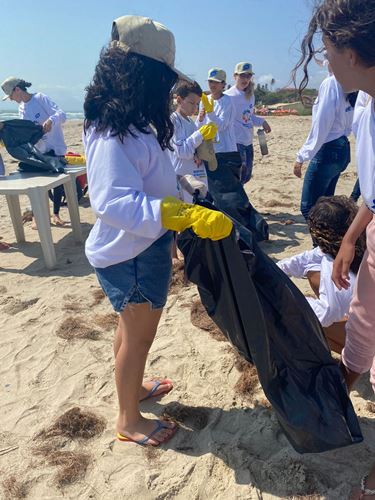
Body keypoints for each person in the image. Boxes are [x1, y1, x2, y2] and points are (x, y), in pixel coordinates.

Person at [83, 15, 232, 447]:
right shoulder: (113, 129)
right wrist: (181, 216)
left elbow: (155, 174)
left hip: (143, 245)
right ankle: (129, 419)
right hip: (129, 254)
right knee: (139, 336)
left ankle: (134, 390)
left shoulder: (132, 119)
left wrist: (182, 197)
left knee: (130, 333)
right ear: (139, 74)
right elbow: (111, 202)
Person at [294, 0, 375, 497]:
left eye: (327, 50)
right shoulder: (363, 99)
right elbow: (372, 186)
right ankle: (344, 381)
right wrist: (350, 239)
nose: (324, 61)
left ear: (352, 48)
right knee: (363, 318)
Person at [277, 196, 365, 337]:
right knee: (312, 268)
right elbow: (293, 263)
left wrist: (290, 300)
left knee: (312, 324)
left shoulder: (336, 267)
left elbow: (325, 315)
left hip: (368, 334)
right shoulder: (360, 243)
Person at [1, 77, 67, 226]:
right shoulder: (21, 108)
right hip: (39, 151)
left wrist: (51, 121)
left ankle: (56, 214)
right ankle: (37, 213)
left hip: (55, 148)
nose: (11, 99)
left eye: (11, 96)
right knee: (26, 172)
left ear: (17, 90)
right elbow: (25, 130)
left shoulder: (40, 98)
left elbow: (62, 114)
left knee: (57, 180)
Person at [293, 73, 355, 220]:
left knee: (311, 208)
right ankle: (328, 241)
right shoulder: (350, 82)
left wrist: (302, 155)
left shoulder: (331, 83)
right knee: (327, 205)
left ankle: (322, 242)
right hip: (342, 147)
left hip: (329, 149)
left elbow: (322, 125)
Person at [169, 81, 217, 203]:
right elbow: (182, 151)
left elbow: (196, 147)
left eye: (197, 104)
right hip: (183, 179)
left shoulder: (190, 122)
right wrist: (200, 134)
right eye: (192, 103)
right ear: (179, 100)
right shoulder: (174, 121)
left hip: (197, 176)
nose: (195, 108)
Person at [224, 62, 271, 184]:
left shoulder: (250, 95)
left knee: (246, 177)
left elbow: (249, 116)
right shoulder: (228, 96)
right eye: (242, 76)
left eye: (248, 76)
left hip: (248, 142)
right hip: (235, 143)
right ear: (235, 76)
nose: (245, 79)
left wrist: (262, 122)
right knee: (236, 178)